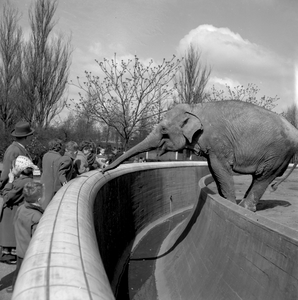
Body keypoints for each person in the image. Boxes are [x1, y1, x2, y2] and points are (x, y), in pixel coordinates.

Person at [6, 181, 44, 293]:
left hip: (20, 248)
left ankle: (14, 288)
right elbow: (38, 237)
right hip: (30, 252)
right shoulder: (37, 216)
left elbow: (15, 223)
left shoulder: (21, 208)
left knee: (19, 271)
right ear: (39, 199)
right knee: (27, 273)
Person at [0, 156, 37, 264]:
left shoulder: (19, 182)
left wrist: (10, 180)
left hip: (13, 210)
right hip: (21, 209)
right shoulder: (29, 180)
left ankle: (9, 254)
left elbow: (7, 196)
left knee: (9, 233)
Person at [41, 141, 78, 210]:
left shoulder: (45, 155)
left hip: (44, 182)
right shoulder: (59, 158)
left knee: (44, 203)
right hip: (53, 184)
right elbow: (60, 173)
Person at [0, 121, 34, 191]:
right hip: (14, 192)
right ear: (26, 137)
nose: (32, 137)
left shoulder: (21, 148)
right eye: (31, 135)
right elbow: (6, 172)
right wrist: (4, 189)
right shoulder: (13, 150)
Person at [40, 139, 63, 209]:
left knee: (43, 202)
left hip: (43, 181)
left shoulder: (45, 155)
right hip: (52, 184)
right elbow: (57, 174)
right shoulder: (58, 157)